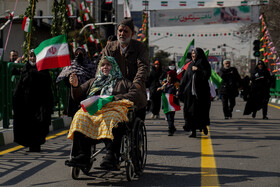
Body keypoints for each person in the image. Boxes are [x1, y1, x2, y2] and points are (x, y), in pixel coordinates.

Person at [66, 56, 139, 169]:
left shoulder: (123, 82)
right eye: (103, 65)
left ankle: (111, 155)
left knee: (111, 118)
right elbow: (78, 95)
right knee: (79, 117)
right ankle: (82, 155)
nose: (105, 67)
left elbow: (135, 94)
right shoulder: (93, 82)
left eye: (108, 64)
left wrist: (113, 98)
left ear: (114, 66)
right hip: (94, 110)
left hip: (113, 108)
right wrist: (75, 86)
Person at [102, 17, 149, 121]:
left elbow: (143, 67)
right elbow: (102, 67)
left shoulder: (139, 47)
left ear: (132, 34)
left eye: (125, 31)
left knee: (137, 118)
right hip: (114, 91)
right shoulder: (109, 47)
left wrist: (136, 84)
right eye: (120, 31)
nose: (122, 34)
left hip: (134, 90)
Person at [12, 49, 54, 152]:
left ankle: (37, 144)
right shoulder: (26, 67)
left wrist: (35, 73)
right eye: (31, 56)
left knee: (40, 122)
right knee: (27, 122)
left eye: (34, 56)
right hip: (27, 102)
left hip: (40, 102)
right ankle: (30, 143)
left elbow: (47, 83)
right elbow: (21, 83)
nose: (33, 58)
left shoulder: (43, 68)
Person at [179, 48, 211, 138]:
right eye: (192, 53)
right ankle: (193, 131)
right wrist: (180, 89)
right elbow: (184, 79)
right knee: (190, 112)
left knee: (201, 111)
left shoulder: (204, 63)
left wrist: (198, 69)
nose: (193, 55)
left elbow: (207, 75)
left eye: (195, 53)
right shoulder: (189, 65)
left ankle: (203, 126)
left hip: (201, 93)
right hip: (190, 93)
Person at [56, 47, 96, 118]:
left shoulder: (91, 66)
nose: (78, 55)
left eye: (80, 53)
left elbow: (95, 79)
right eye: (76, 54)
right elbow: (62, 77)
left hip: (88, 97)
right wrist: (72, 81)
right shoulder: (71, 65)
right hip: (75, 97)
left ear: (84, 55)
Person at [157, 70, 180, 136]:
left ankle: (170, 129)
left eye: (169, 76)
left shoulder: (176, 83)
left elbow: (178, 90)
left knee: (171, 116)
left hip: (172, 102)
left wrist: (177, 93)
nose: (168, 78)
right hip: (166, 102)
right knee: (167, 116)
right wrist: (159, 89)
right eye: (167, 76)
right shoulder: (165, 83)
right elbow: (162, 88)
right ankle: (172, 127)